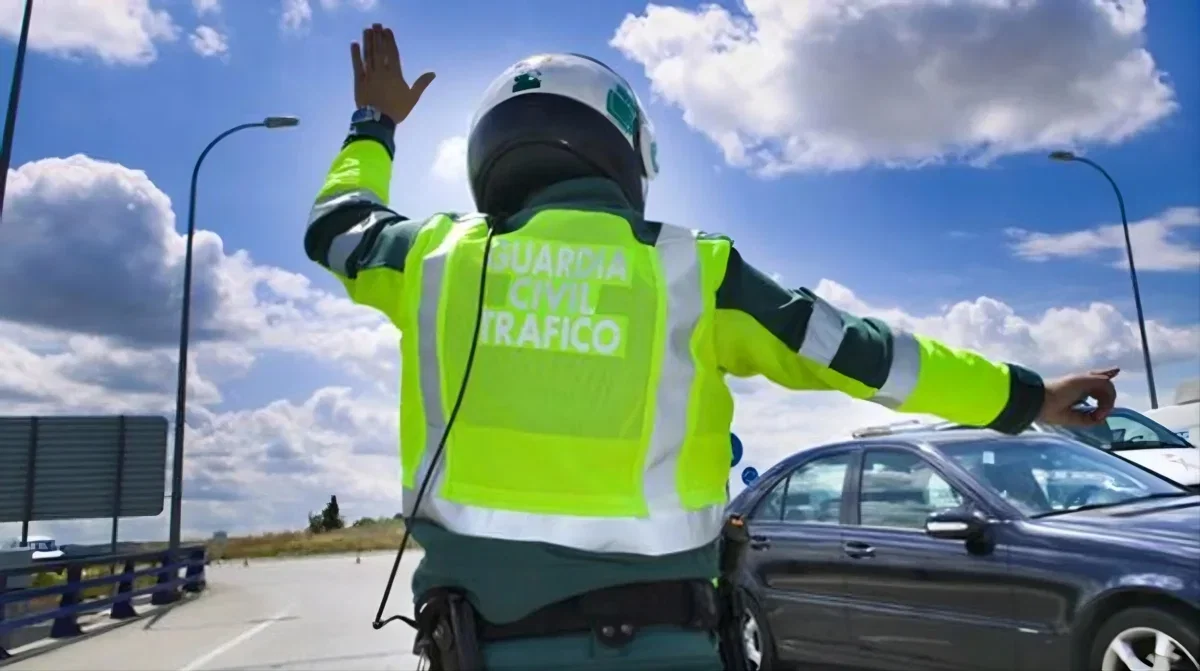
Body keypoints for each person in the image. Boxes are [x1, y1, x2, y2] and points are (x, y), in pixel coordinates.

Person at [304, 23, 1120, 671]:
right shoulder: (696, 271)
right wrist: (1025, 395)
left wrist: (372, 123)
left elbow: (337, 225)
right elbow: (868, 355)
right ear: (626, 155)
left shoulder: (433, 261)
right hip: (667, 641)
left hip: (479, 644)